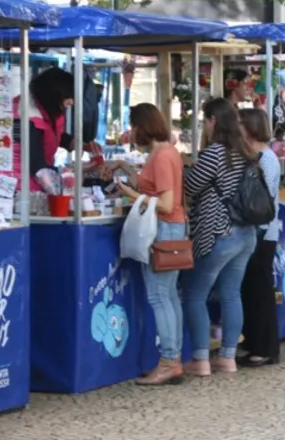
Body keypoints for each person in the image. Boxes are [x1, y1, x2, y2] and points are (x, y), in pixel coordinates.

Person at [102, 104, 187, 385]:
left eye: (133, 125)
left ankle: (169, 360)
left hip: (163, 228)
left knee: (159, 296)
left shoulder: (161, 156)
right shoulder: (165, 152)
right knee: (169, 295)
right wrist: (124, 167)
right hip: (172, 227)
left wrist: (130, 193)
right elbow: (150, 186)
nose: (131, 131)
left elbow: (165, 202)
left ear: (143, 126)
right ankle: (173, 359)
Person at [181, 98, 258, 376]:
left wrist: (183, 167)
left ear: (213, 120)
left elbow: (190, 186)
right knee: (231, 294)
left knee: (194, 294)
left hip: (218, 233)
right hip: (245, 233)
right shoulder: (245, 151)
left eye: (205, 120)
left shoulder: (216, 152)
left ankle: (201, 359)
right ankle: (227, 358)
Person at [0, 67, 99, 192]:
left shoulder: (46, 110)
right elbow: (36, 165)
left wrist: (76, 143)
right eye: (68, 96)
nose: (72, 101)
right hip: (14, 186)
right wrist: (70, 176)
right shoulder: (26, 116)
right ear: (53, 95)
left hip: (28, 181)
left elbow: (51, 134)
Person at [236, 108, 282, 368]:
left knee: (260, 291)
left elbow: (259, 198)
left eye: (241, 124)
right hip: (260, 230)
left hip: (263, 232)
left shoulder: (264, 158)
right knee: (251, 289)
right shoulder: (258, 156)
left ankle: (265, 347)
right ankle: (254, 342)